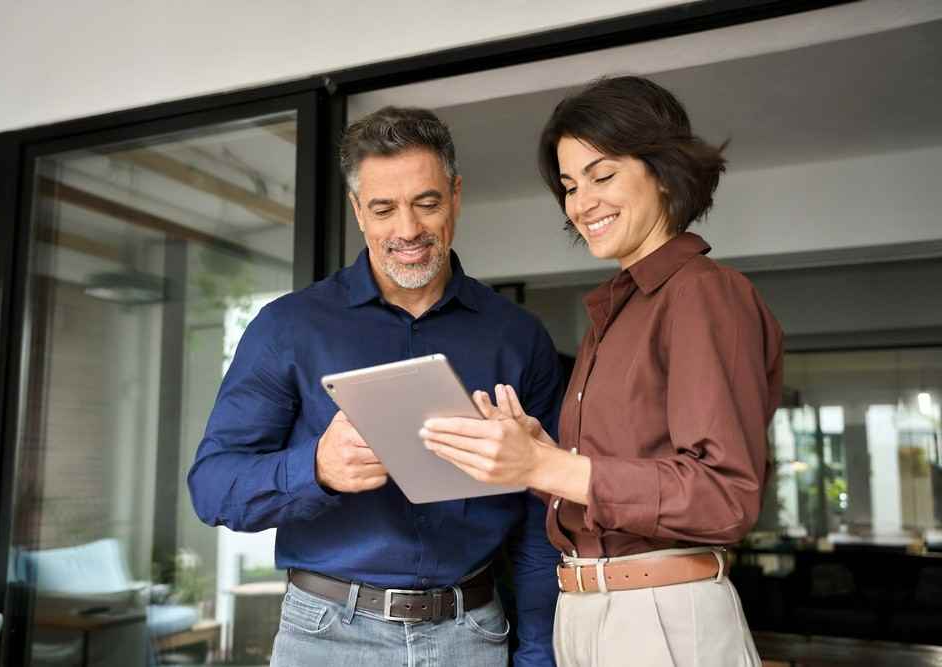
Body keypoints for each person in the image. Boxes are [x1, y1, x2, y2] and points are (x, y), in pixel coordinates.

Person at [421, 76, 784, 666]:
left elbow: (725, 494)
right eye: (568, 185)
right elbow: (609, 480)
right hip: (588, 606)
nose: (581, 202)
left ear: (663, 171)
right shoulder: (616, 310)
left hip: (659, 611)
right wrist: (536, 458)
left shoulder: (702, 294)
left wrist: (552, 464)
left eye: (602, 175)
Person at [188, 106, 563, 667]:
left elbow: (541, 516)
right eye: (384, 209)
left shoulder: (517, 336)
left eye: (427, 203)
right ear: (357, 211)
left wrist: (537, 654)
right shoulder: (288, 328)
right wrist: (315, 468)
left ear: (456, 195)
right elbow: (212, 488)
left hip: (474, 636)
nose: (407, 230)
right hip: (324, 637)